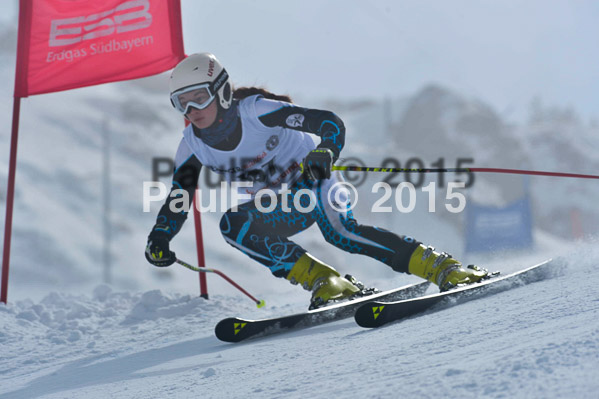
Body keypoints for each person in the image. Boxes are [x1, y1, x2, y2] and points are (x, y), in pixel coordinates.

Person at [145, 53, 489, 309]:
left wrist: (325, 151)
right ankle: (326, 281)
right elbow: (180, 196)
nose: (191, 111)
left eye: (199, 98)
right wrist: (161, 235)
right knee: (233, 225)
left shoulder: (257, 111)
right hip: (280, 206)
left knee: (341, 232)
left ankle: (443, 267)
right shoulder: (191, 145)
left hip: (314, 181)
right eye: (181, 104)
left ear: (220, 92)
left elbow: (330, 123)